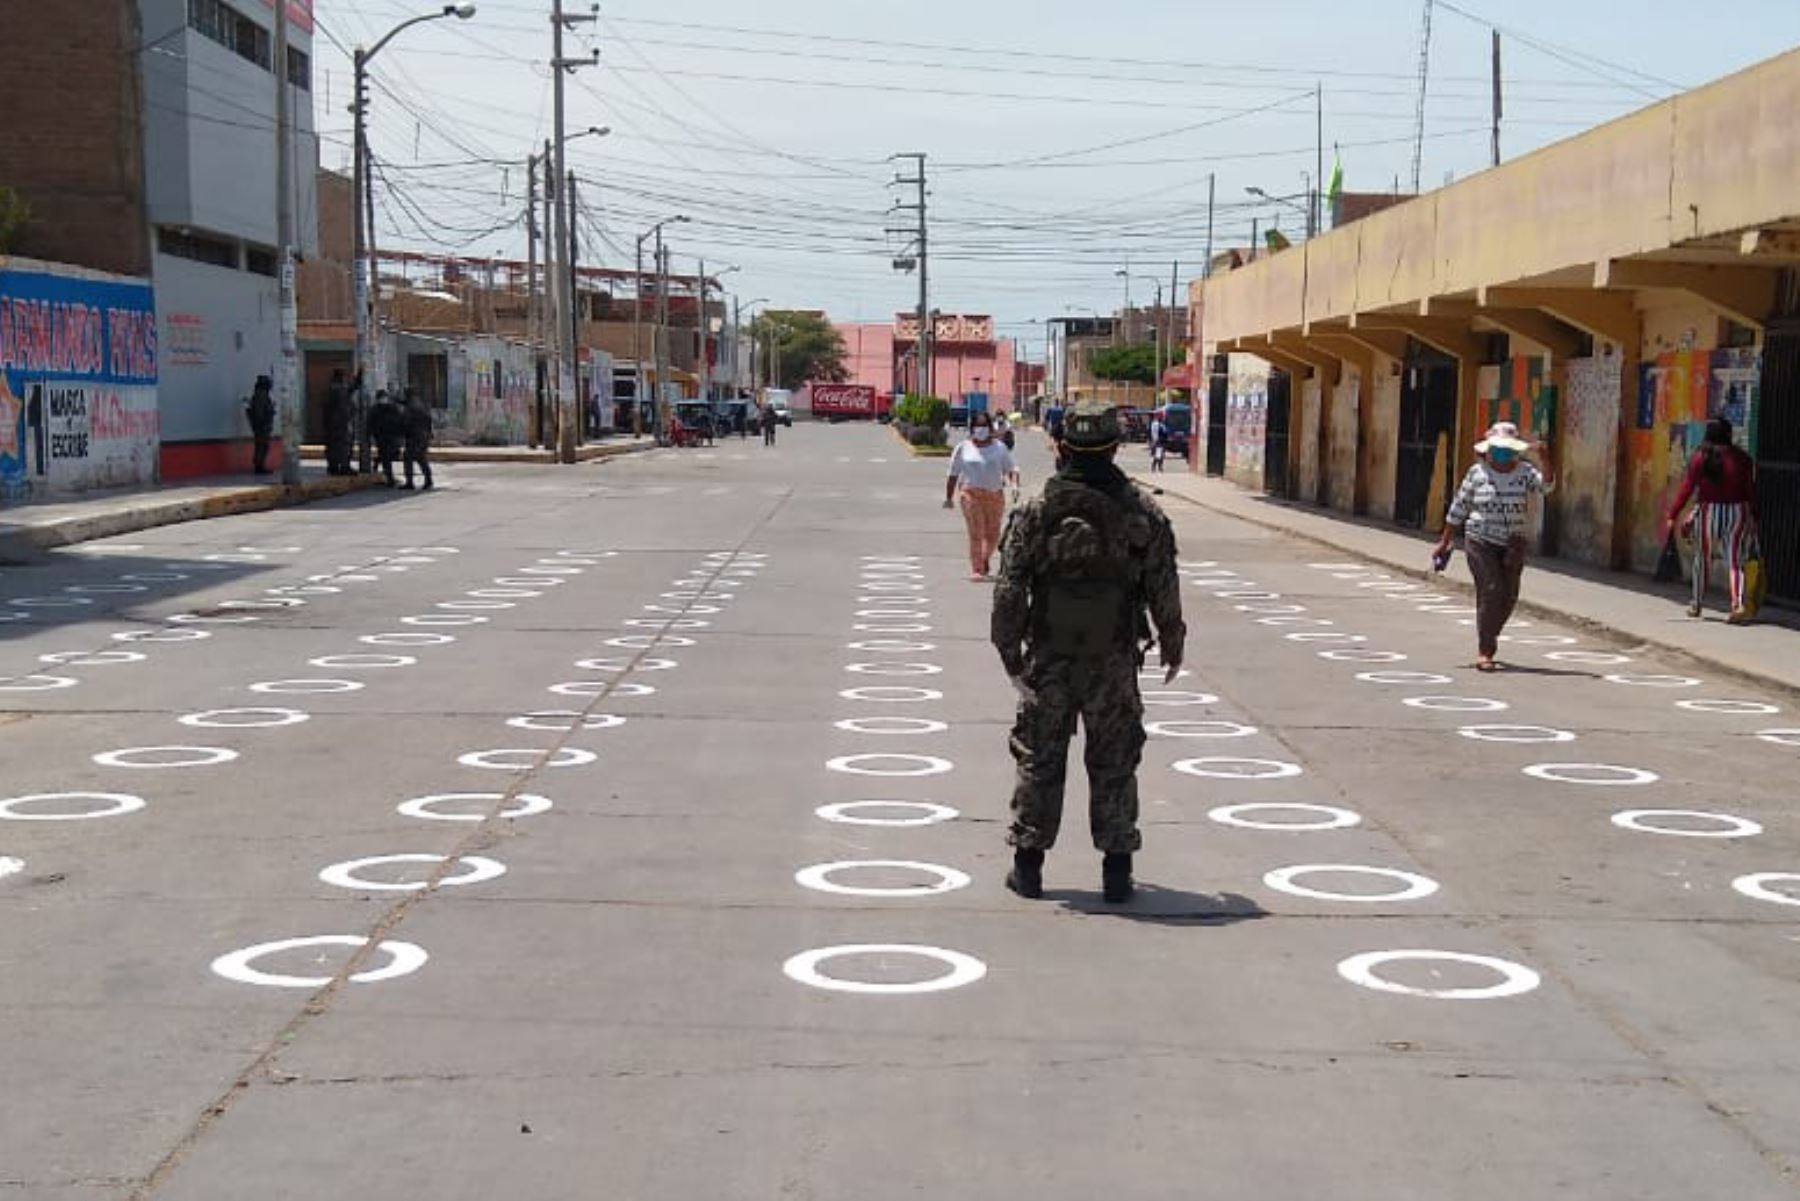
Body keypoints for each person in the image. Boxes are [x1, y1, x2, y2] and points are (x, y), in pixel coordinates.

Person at [992, 400, 1185, 904]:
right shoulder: (1141, 511)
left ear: (1061, 445)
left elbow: (1010, 587)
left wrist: (1009, 652)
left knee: (1040, 757)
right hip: (1114, 656)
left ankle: (1028, 866)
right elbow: (1163, 581)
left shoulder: (1035, 509)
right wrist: (1172, 640)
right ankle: (1117, 872)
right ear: (1115, 447)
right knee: (1115, 759)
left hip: (1050, 655)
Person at [1432, 421, 1556, 672]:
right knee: (1491, 589)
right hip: (1480, 540)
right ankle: (1485, 650)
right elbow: (1459, 506)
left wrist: (1545, 459)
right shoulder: (1477, 474)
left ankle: (1489, 634)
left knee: (1508, 596)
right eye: (1496, 449)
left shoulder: (1525, 472)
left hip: (1513, 543)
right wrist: (1445, 541)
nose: (1501, 454)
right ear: (1488, 450)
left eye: (1507, 449)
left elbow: (1546, 486)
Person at [1667, 416, 1760, 623]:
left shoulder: (1700, 458)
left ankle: (1696, 604)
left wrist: (1673, 514)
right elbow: (1750, 490)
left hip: (1708, 512)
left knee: (1702, 558)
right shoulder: (1742, 459)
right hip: (1737, 512)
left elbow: (1687, 488)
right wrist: (1755, 515)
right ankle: (1737, 604)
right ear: (1729, 434)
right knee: (1735, 560)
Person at [943, 410, 1019, 581]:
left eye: (984, 425)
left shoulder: (999, 448)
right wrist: (948, 497)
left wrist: (1014, 486)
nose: (981, 429)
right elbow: (953, 473)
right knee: (976, 531)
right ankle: (976, 568)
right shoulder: (963, 448)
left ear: (990, 427)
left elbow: (1011, 469)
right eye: (977, 425)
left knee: (993, 535)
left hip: (994, 495)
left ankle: (985, 559)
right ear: (972, 428)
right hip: (970, 493)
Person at [401, 388, 434, 491]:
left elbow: (406, 422)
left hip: (414, 436)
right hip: (424, 436)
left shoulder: (410, 407)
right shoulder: (420, 404)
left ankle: (409, 482)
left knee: (408, 458)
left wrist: (402, 431)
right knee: (421, 458)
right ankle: (428, 480)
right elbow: (429, 420)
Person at [369, 390, 404, 487]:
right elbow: (371, 423)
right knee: (386, 458)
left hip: (391, 437)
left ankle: (378, 465)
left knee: (390, 456)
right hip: (382, 437)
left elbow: (399, 420)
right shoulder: (375, 409)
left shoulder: (392, 408)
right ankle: (390, 479)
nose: (383, 399)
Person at [323, 368, 353, 476]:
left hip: (331, 424)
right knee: (344, 446)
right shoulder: (340, 390)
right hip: (341, 423)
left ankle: (333, 467)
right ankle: (344, 467)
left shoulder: (331, 389)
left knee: (332, 446)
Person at [244, 375, 275, 475]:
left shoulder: (262, 394)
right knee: (262, 446)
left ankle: (260, 465)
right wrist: (262, 424)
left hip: (262, 425)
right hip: (262, 426)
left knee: (262, 445)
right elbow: (259, 412)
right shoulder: (260, 395)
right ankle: (259, 466)